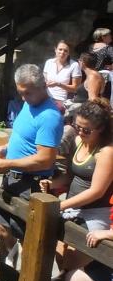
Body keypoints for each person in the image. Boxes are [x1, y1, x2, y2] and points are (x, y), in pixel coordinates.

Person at [0, 64, 64, 258]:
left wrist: (5, 164)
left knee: (27, 237)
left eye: (27, 93)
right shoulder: (30, 104)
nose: (23, 98)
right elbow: (23, 135)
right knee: (1, 229)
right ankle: (9, 273)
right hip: (15, 178)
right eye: (21, 92)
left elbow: (45, 160)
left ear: (43, 86)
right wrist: (5, 148)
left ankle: (20, 279)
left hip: (31, 186)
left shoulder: (49, 117)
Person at [41, 100, 113, 271]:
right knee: (58, 254)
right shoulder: (77, 141)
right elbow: (70, 176)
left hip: (93, 213)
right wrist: (53, 183)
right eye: (76, 126)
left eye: (86, 130)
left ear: (100, 129)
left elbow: (96, 191)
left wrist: (60, 205)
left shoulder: (106, 152)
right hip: (71, 208)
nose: (80, 132)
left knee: (71, 264)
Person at [44, 40, 82, 105]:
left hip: (60, 101)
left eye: (65, 50)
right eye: (60, 49)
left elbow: (75, 89)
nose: (62, 52)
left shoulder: (74, 65)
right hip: (45, 97)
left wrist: (58, 84)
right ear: (55, 50)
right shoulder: (49, 62)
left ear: (69, 53)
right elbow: (44, 81)